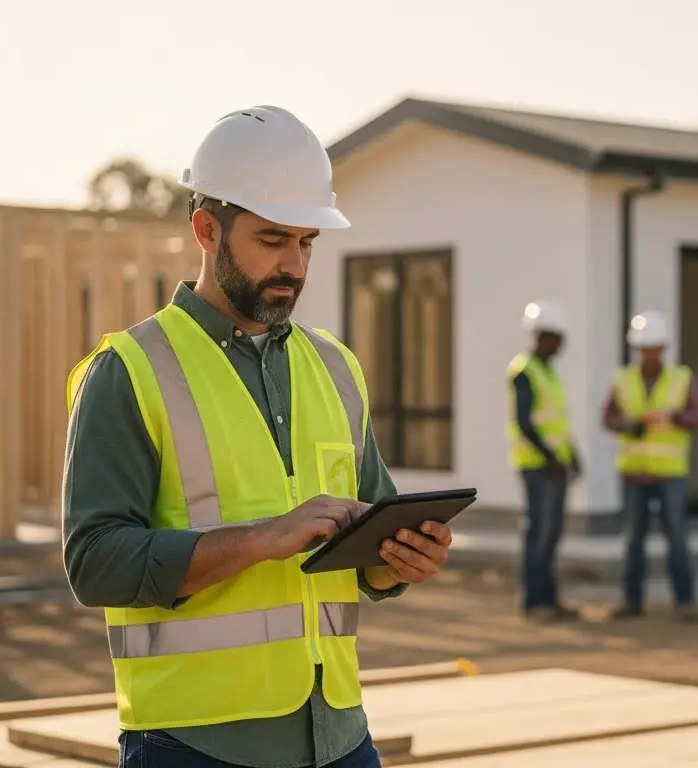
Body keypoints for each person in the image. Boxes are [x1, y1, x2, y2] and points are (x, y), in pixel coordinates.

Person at [62, 105, 453, 768]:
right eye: (273, 239)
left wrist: (399, 559)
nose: (293, 266)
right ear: (206, 228)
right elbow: (95, 563)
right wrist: (264, 539)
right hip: (192, 744)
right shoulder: (129, 371)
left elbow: (369, 539)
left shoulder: (335, 367)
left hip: (338, 734)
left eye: (306, 243)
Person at [602, 310, 698, 621]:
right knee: (633, 540)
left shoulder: (681, 378)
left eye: (653, 348)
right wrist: (627, 425)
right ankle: (632, 601)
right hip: (635, 472)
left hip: (670, 473)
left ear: (663, 348)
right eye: (643, 348)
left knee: (677, 538)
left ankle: (685, 601)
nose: (648, 354)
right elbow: (608, 416)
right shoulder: (624, 379)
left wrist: (674, 418)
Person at [506, 299, 582, 622]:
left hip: (555, 464)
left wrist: (572, 455)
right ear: (542, 336)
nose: (561, 345)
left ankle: (550, 599)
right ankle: (533, 601)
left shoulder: (548, 372)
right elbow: (525, 422)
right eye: (557, 338)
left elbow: (556, 423)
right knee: (538, 532)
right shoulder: (524, 371)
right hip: (537, 466)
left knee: (551, 534)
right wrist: (551, 458)